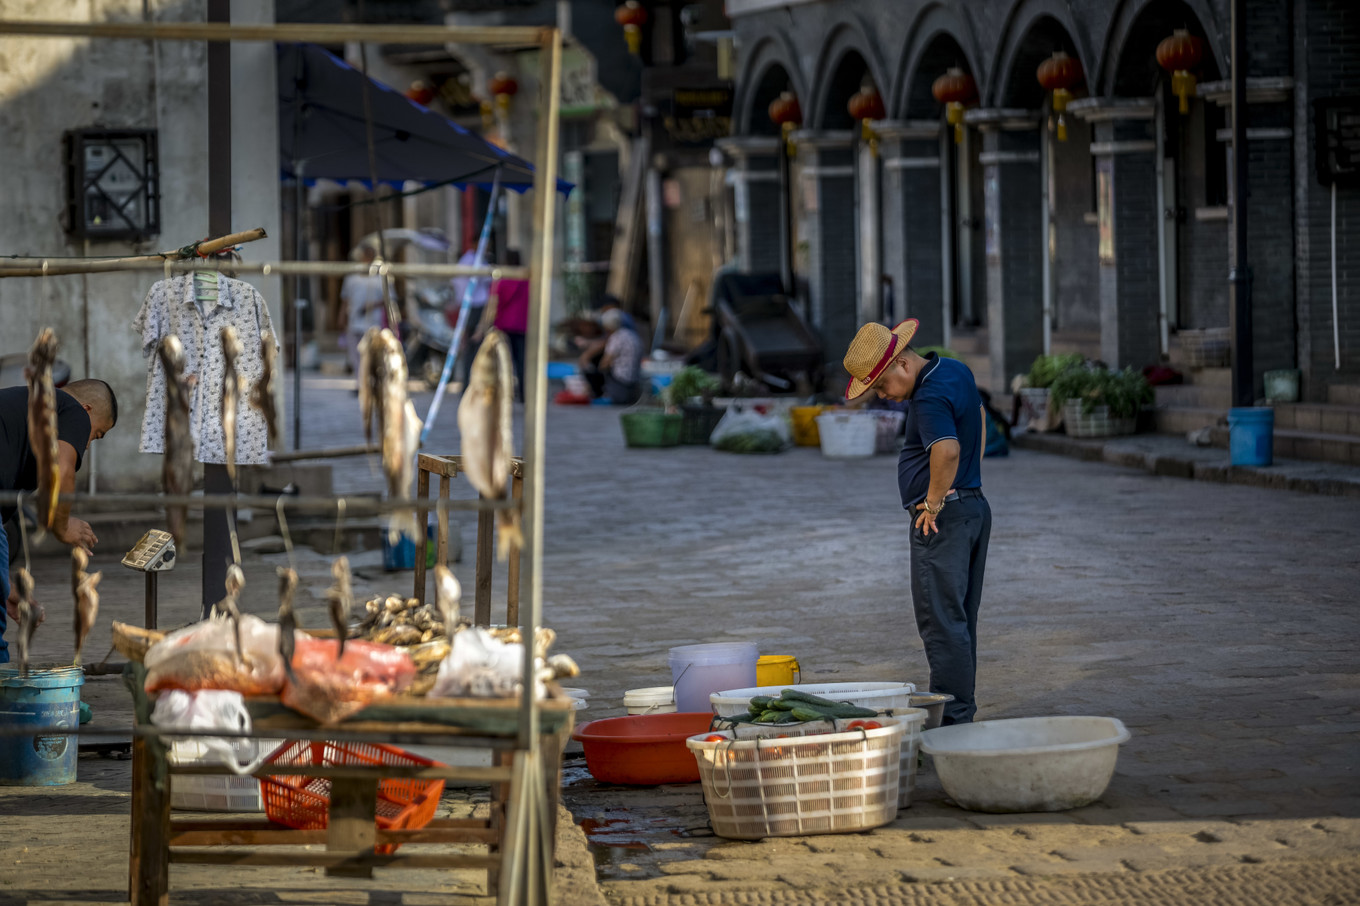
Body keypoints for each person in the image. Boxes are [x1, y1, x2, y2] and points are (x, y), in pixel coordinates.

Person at [843, 319, 990, 726]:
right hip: (972, 509)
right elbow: (978, 418)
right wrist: (967, 484)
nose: (884, 396)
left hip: (945, 519)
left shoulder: (926, 398)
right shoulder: (954, 369)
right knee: (959, 619)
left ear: (902, 366)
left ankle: (952, 724)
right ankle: (961, 713)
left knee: (942, 624)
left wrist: (934, 503)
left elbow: (946, 450)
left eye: (881, 386)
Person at [0, 378, 117, 664]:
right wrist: (62, 526)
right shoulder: (71, 410)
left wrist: (4, 588)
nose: (86, 445)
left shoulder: (24, 412)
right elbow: (62, 470)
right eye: (96, 434)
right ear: (87, 409)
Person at [475, 249, 529, 401]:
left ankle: (506, 394)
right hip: (523, 325)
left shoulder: (501, 280)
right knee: (522, 362)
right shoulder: (527, 279)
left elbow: (492, 306)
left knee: (505, 363)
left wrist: (482, 328)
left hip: (504, 326)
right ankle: (524, 394)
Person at [341, 245, 388, 377]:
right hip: (354, 321)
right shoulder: (351, 278)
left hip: (374, 323)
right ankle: (360, 383)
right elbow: (345, 299)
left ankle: (372, 382)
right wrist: (341, 317)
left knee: (373, 356)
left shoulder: (381, 279)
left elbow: (389, 300)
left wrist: (372, 305)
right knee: (355, 355)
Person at [580, 309, 643, 405]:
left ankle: (600, 394)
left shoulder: (616, 337)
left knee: (594, 366)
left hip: (621, 382)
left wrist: (594, 377)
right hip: (634, 380)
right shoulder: (633, 335)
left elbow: (605, 363)